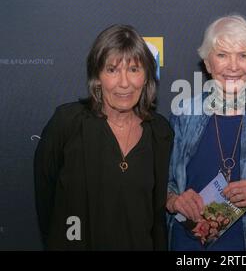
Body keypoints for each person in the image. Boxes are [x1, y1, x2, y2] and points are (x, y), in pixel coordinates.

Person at [34, 24, 173, 250]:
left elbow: (157, 219)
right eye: (112, 70)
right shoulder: (67, 123)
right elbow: (45, 201)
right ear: (97, 76)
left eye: (134, 70)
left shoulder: (160, 132)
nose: (124, 82)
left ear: (147, 77)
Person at [166, 14, 246, 251]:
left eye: (243, 56)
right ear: (207, 63)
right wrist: (174, 200)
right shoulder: (184, 114)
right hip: (188, 246)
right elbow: (163, 183)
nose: (233, 66)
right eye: (222, 55)